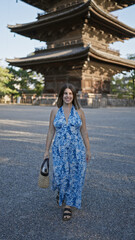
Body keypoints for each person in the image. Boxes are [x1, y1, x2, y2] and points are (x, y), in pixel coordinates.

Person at [44, 83, 91, 221]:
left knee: (74, 176)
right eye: (65, 93)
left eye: (70, 93)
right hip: (59, 149)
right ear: (61, 95)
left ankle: (68, 206)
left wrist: (88, 149)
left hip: (77, 150)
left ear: (74, 96)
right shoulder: (54, 111)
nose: (68, 96)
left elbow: (84, 131)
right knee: (59, 176)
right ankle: (61, 191)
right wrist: (46, 150)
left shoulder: (80, 112)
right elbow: (51, 131)